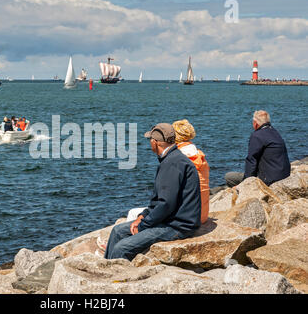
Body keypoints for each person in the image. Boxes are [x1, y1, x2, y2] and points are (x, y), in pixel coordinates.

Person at [104, 123, 201, 261]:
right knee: (117, 231)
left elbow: (166, 204)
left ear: (155, 142)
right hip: (169, 220)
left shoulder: (173, 163)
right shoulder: (171, 158)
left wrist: (143, 225)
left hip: (178, 226)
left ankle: (116, 280)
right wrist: (142, 216)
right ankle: (107, 268)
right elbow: (159, 201)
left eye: (150, 140)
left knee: (122, 248)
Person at [225, 110, 290, 187]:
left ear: (255, 123)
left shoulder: (257, 135)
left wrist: (247, 182)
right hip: (283, 176)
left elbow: (251, 160)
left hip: (269, 180)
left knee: (229, 177)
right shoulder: (275, 132)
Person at [173, 119, 210, 224]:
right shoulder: (199, 155)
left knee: (133, 214)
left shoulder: (179, 158)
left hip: (187, 217)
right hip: (203, 214)